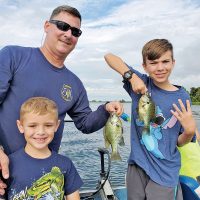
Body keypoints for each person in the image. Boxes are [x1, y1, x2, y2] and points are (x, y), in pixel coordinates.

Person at [0, 5, 123, 195]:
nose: (68, 34)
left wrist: (105, 109)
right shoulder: (13, 56)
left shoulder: (74, 83)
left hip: (42, 180)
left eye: (75, 31)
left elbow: (85, 123)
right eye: (62, 26)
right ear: (47, 26)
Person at [104, 39, 197, 200]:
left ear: (173, 63)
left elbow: (178, 142)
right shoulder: (140, 84)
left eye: (165, 61)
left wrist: (189, 131)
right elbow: (109, 57)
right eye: (153, 63)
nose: (160, 67)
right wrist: (131, 77)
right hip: (137, 165)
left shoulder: (182, 96)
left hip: (165, 171)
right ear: (145, 66)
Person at [6, 97, 83, 200]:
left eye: (48, 125)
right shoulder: (7, 164)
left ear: (56, 125)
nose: (41, 132)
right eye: (33, 126)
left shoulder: (66, 164)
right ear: (20, 126)